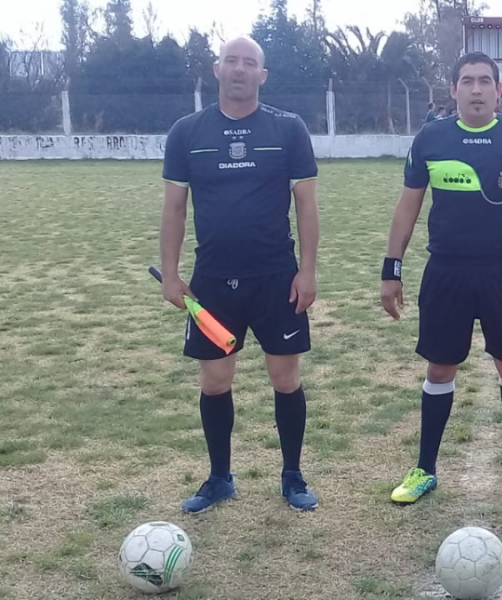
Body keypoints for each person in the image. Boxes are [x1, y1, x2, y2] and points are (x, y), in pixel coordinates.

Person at [380, 52, 502, 505]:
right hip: (446, 271)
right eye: (467, 81)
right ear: (453, 90)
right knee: (440, 367)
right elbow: (407, 207)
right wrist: (392, 269)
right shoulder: (431, 138)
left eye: (486, 81)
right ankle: (425, 469)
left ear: (499, 90)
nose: (477, 89)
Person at [159, 36, 321, 514]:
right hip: (212, 281)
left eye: (249, 63)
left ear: (262, 75)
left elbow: (307, 204)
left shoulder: (287, 128)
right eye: (231, 60)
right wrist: (171, 273)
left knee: (285, 378)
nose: (239, 69)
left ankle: (292, 476)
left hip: (276, 277)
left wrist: (307, 271)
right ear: (217, 69)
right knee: (214, 381)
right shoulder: (187, 132)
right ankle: (219, 478)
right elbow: (174, 208)